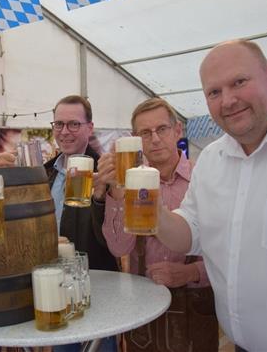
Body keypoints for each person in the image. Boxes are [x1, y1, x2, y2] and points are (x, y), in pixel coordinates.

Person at [156, 40, 267, 352]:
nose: (228, 100)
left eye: (239, 82)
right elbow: (189, 234)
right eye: (214, 92)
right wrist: (154, 213)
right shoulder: (210, 159)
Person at [91, 98, 218, 352]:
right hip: (144, 303)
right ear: (135, 138)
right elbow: (118, 249)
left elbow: (228, 248)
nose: (155, 139)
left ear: (178, 130)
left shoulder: (205, 177)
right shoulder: (130, 182)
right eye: (145, 133)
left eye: (162, 129)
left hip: (197, 304)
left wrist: (192, 273)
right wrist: (115, 190)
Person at [44, 95, 118, 352]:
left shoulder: (107, 173)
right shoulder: (46, 172)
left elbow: (114, 242)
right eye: (59, 124)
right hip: (54, 289)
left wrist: (100, 198)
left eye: (74, 124)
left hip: (97, 292)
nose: (65, 131)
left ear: (90, 127)